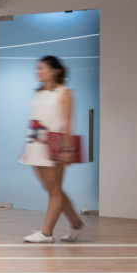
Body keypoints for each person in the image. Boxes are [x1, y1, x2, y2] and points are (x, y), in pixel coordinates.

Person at [19, 55, 84, 243]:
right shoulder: (38, 93)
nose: (38, 71)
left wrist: (68, 149)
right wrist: (27, 147)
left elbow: (67, 122)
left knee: (54, 190)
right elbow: (34, 121)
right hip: (36, 144)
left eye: (42, 68)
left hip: (55, 145)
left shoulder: (64, 92)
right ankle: (76, 224)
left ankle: (46, 233)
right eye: (37, 68)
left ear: (55, 71)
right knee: (52, 189)